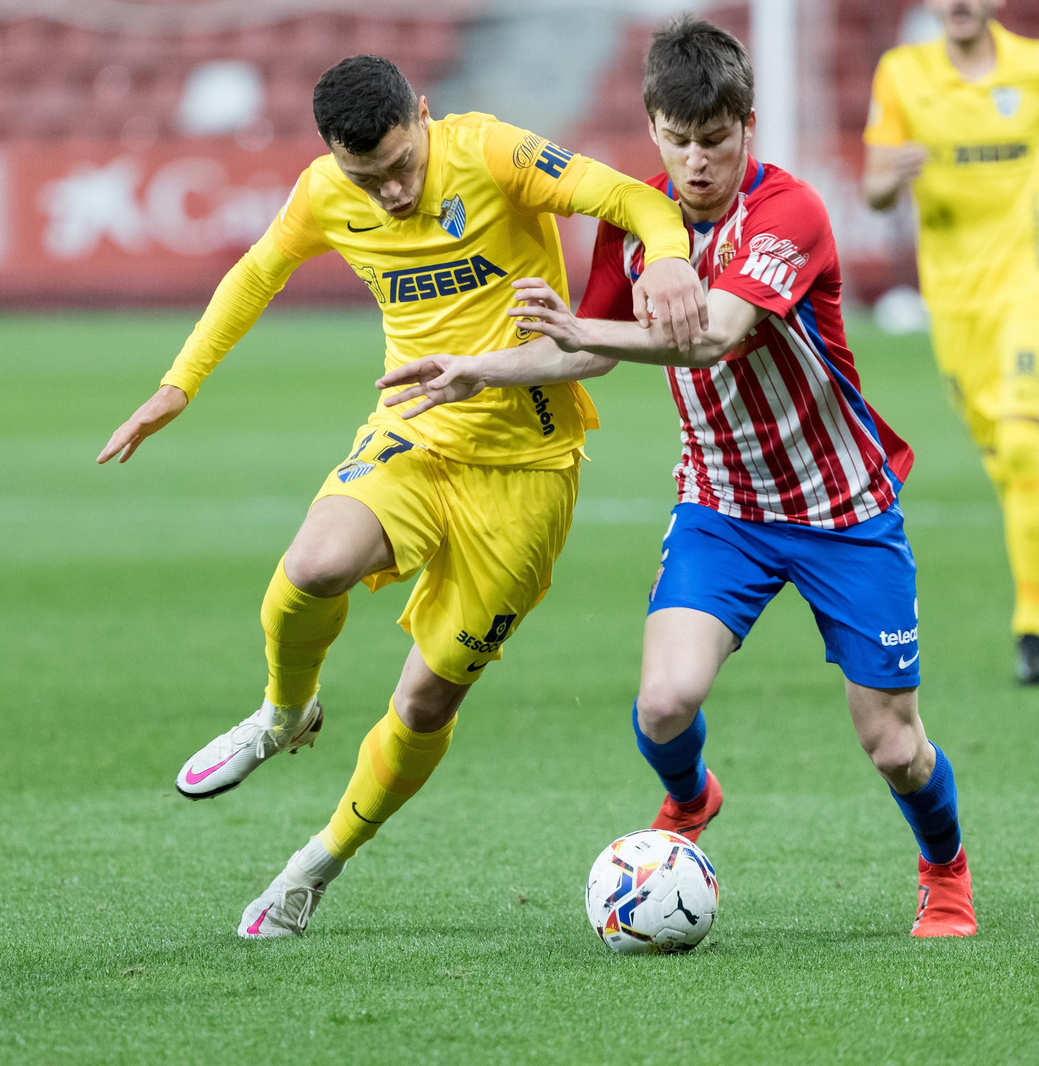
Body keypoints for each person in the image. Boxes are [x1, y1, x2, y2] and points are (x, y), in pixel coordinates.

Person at [381, 17, 976, 937]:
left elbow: (715, 334)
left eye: (717, 140)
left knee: (893, 744)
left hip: (842, 507)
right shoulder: (635, 225)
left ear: (748, 125)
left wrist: (584, 333)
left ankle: (946, 873)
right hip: (722, 506)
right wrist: (479, 367)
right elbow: (586, 356)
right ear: (654, 129)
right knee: (663, 704)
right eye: (679, 140)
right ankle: (691, 800)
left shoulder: (791, 214)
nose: (698, 162)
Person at [99, 55, 706, 938]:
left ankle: (318, 863)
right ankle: (283, 712)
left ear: (423, 115)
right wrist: (178, 384)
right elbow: (256, 274)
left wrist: (672, 258)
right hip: (414, 434)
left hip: (529, 472)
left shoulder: (492, 152)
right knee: (313, 565)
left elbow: (634, 199)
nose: (389, 192)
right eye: (366, 177)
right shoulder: (323, 194)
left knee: (424, 704)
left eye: (401, 166)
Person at [863, 0, 1039, 684]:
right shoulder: (902, 74)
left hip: (1033, 279)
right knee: (1013, 464)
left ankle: (1032, 631)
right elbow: (872, 187)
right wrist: (891, 180)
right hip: (953, 300)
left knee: (1021, 440)